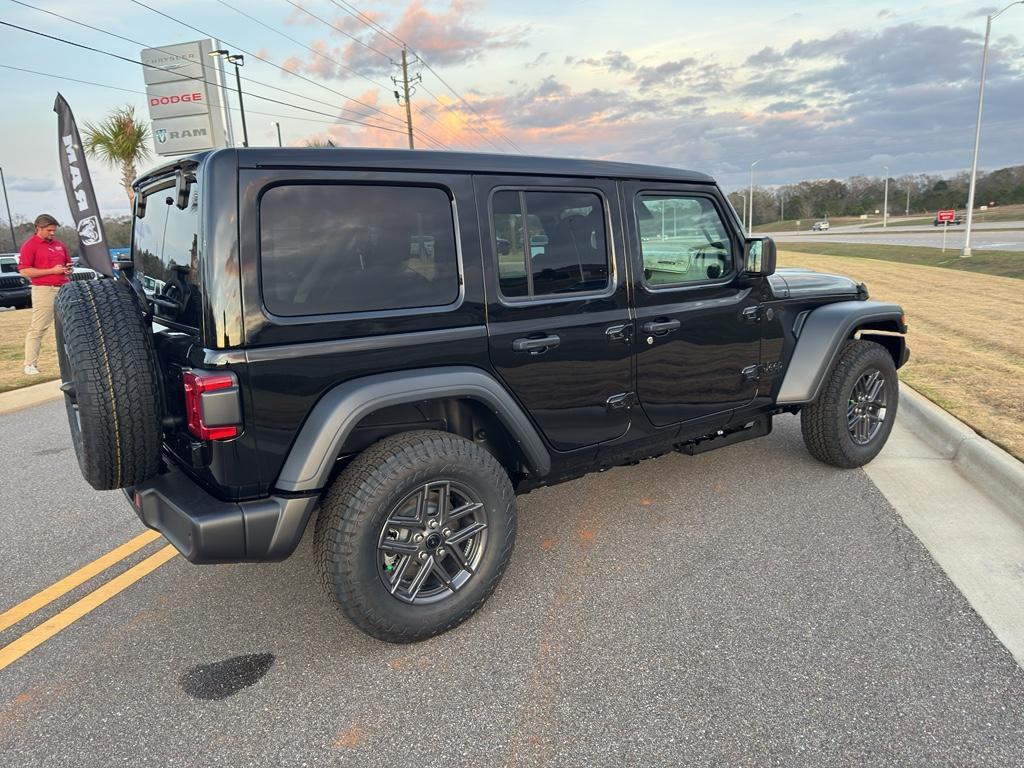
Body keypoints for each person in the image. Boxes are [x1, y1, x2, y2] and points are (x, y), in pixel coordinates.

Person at [18, 213, 72, 375]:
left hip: (65, 288)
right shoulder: (30, 246)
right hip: (44, 290)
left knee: (70, 325)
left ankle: (71, 361)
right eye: (49, 230)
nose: (52, 233)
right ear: (38, 228)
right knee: (39, 327)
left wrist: (68, 269)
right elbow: (24, 271)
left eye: (54, 230)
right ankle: (30, 364)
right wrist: (52, 271)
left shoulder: (59, 245)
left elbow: (67, 264)